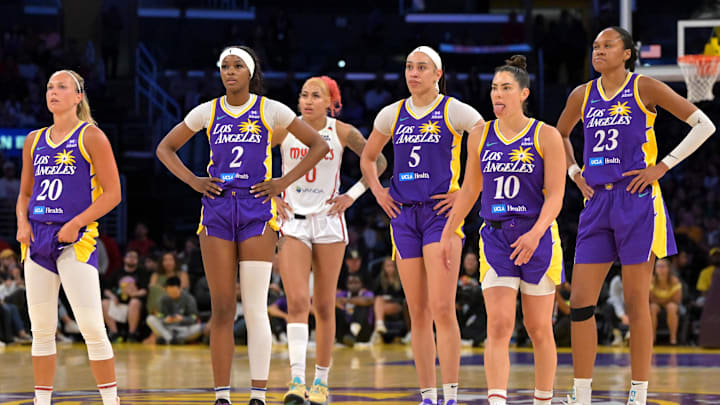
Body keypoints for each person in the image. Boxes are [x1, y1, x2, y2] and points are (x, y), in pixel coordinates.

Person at [156, 45, 328, 405]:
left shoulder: (271, 109)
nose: (229, 71)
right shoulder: (207, 110)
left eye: (237, 66)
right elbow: (165, 149)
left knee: (254, 306)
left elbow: (316, 145)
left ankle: (258, 394)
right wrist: (194, 180)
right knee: (221, 308)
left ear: (250, 72)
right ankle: (221, 395)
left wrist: (282, 183)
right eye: (224, 66)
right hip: (217, 208)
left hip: (256, 211)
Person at [557, 27, 716, 405]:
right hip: (596, 202)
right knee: (580, 301)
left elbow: (704, 125)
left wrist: (663, 166)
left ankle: (639, 394)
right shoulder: (581, 95)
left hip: (636, 200)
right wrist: (574, 174)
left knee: (635, 301)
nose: (598, 51)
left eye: (607, 45)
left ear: (627, 53)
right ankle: (580, 393)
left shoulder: (646, 87)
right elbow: (558, 135)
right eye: (595, 46)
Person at [360, 46, 484, 405]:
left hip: (440, 215)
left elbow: (482, 132)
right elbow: (369, 158)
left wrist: (463, 193)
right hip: (403, 217)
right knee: (418, 311)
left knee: (442, 308)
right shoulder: (392, 113)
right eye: (409, 67)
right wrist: (380, 193)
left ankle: (451, 395)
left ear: (438, 74)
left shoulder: (454, 110)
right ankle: (428, 395)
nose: (413, 73)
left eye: (422, 67)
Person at [440, 55, 565, 405]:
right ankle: (497, 401)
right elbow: (469, 189)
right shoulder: (479, 135)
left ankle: (543, 400)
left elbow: (556, 196)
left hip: (535, 236)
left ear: (524, 93)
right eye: (494, 88)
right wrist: (449, 231)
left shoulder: (547, 135)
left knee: (539, 329)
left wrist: (536, 232)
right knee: (498, 326)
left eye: (506, 88)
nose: (498, 94)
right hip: (495, 236)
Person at [274, 75, 387, 405]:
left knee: (324, 306)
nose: (308, 100)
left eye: (316, 95)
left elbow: (378, 161)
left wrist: (352, 195)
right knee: (296, 302)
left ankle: (321, 382)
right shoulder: (284, 128)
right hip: (293, 223)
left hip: (328, 223)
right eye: (304, 94)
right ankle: (296, 381)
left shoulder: (341, 132)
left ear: (330, 102)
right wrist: (272, 195)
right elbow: (255, 159)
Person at [16, 69, 122, 405]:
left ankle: (111, 399)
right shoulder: (33, 140)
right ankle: (41, 401)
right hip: (37, 238)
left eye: (62, 86)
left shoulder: (91, 136)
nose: (53, 91)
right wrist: (22, 223)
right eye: (49, 86)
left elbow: (113, 194)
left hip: (76, 238)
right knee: (42, 329)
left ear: (78, 97)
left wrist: (77, 222)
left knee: (91, 324)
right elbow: (24, 194)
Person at [145, 276, 203, 344]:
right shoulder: (162, 300)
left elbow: (194, 317)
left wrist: (182, 319)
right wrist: (165, 320)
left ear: (180, 288)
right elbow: (159, 316)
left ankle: (168, 339)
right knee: (150, 319)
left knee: (200, 327)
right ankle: (172, 339)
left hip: (184, 328)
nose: (172, 294)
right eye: (170, 292)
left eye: (174, 292)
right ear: (166, 290)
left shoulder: (189, 299)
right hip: (167, 328)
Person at [650, 258, 682, 345]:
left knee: (671, 307)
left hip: (670, 304)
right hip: (656, 305)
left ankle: (673, 338)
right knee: (652, 308)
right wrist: (665, 299)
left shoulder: (674, 281)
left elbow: (677, 299)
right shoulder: (651, 280)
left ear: (668, 268)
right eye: (658, 266)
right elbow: (650, 298)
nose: (660, 269)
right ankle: (652, 337)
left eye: (663, 266)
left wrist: (661, 300)